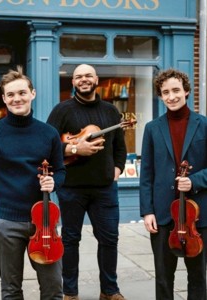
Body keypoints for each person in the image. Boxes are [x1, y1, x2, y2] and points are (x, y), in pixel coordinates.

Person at [0, 66, 66, 300]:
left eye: (22, 93)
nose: (17, 99)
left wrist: (53, 183)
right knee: (11, 290)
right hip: (6, 222)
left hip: (44, 222)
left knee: (54, 289)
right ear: (4, 98)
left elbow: (61, 171)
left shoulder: (49, 133)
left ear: (32, 94)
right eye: (11, 95)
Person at [47, 64, 127, 300]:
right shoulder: (61, 110)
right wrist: (74, 148)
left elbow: (119, 146)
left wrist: (118, 168)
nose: (84, 79)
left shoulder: (111, 111)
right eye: (79, 76)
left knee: (110, 239)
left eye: (88, 75)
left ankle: (109, 291)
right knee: (71, 240)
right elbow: (48, 145)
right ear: (73, 82)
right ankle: (70, 292)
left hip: (105, 188)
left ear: (96, 79)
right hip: (71, 188)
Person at [140, 68, 207, 300]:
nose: (172, 96)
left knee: (197, 275)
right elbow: (146, 173)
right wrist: (147, 211)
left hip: (198, 215)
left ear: (186, 91)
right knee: (163, 276)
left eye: (176, 90)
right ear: (160, 96)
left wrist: (194, 181)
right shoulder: (151, 128)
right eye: (165, 92)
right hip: (162, 212)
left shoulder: (204, 124)